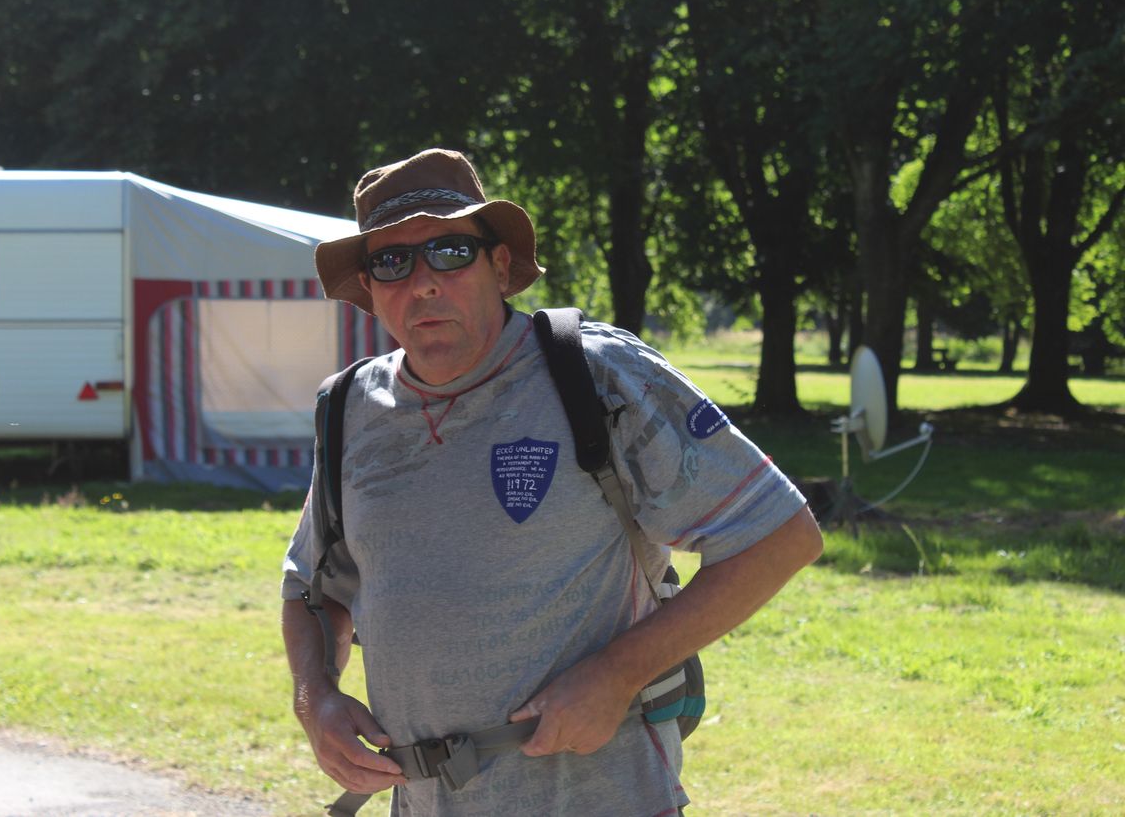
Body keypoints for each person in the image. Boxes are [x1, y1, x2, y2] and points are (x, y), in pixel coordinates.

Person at [281, 148, 823, 816]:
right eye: (392, 261)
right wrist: (314, 697)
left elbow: (780, 535)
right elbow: (312, 589)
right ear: (369, 287)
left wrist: (618, 673)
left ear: (499, 264)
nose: (422, 283)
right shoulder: (349, 408)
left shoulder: (597, 375)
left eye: (450, 251)